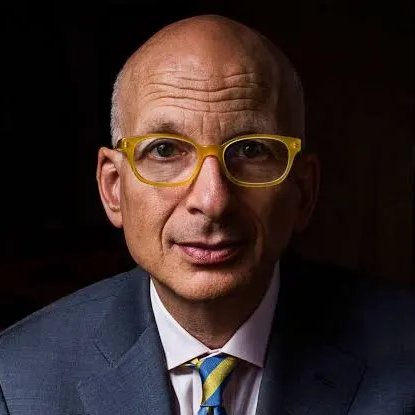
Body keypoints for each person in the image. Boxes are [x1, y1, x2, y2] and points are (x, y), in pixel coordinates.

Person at [0, 14, 414, 415]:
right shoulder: (16, 381)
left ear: (302, 191)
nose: (213, 201)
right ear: (113, 188)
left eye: (251, 150)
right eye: (164, 150)